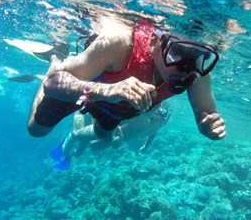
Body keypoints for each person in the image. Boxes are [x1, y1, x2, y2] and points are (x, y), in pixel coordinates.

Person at [28, 18, 226, 142]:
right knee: (36, 131)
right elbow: (53, 83)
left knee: (103, 138)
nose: (185, 66)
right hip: (83, 86)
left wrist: (208, 124)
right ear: (155, 41)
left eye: (197, 56)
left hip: (116, 107)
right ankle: (56, 57)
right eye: (177, 52)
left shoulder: (197, 71)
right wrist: (105, 90)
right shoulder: (120, 42)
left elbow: (207, 113)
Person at [51, 103, 170, 169]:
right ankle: (65, 144)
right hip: (105, 129)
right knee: (77, 134)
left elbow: (153, 134)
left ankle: (70, 154)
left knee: (88, 149)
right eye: (163, 113)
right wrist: (116, 135)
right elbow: (118, 121)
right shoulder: (144, 119)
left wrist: (146, 146)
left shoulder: (157, 125)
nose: (164, 117)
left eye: (165, 116)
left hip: (112, 139)